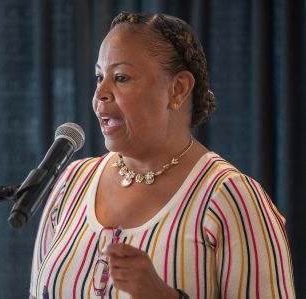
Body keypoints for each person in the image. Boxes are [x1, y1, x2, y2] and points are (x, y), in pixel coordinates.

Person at [29, 11, 295, 299]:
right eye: (98, 77)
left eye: (120, 78)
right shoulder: (72, 184)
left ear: (177, 89)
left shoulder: (232, 199)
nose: (100, 94)